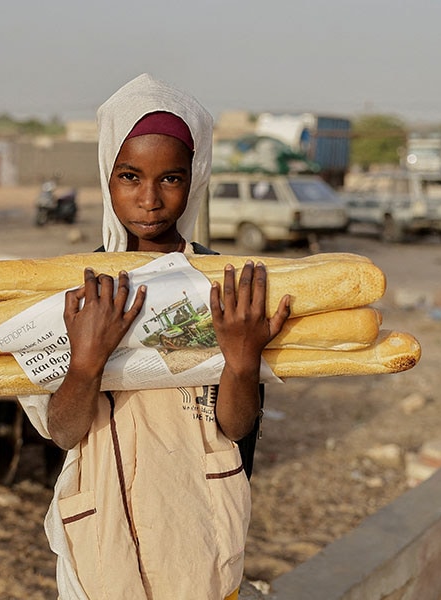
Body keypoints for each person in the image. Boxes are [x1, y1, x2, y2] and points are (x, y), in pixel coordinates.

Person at [19, 73, 291, 600]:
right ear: (106, 176)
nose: (149, 199)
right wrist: (86, 362)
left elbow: (235, 429)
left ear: (196, 176)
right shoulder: (76, 290)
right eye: (129, 176)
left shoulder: (222, 284)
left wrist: (240, 362)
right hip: (101, 528)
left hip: (198, 524)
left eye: (170, 178)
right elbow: (63, 431)